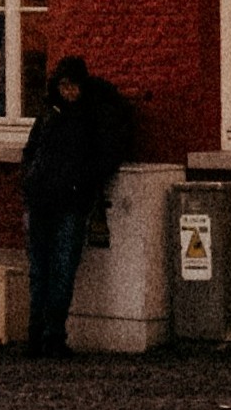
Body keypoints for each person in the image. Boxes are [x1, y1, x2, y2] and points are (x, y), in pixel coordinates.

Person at [15, 55, 141, 356]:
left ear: (82, 87)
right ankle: (38, 335)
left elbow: (105, 153)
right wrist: (30, 178)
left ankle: (52, 335)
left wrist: (82, 182)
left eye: (72, 86)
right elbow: (32, 149)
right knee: (41, 271)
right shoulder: (50, 112)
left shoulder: (89, 117)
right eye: (63, 86)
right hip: (43, 201)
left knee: (60, 270)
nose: (68, 92)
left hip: (68, 202)